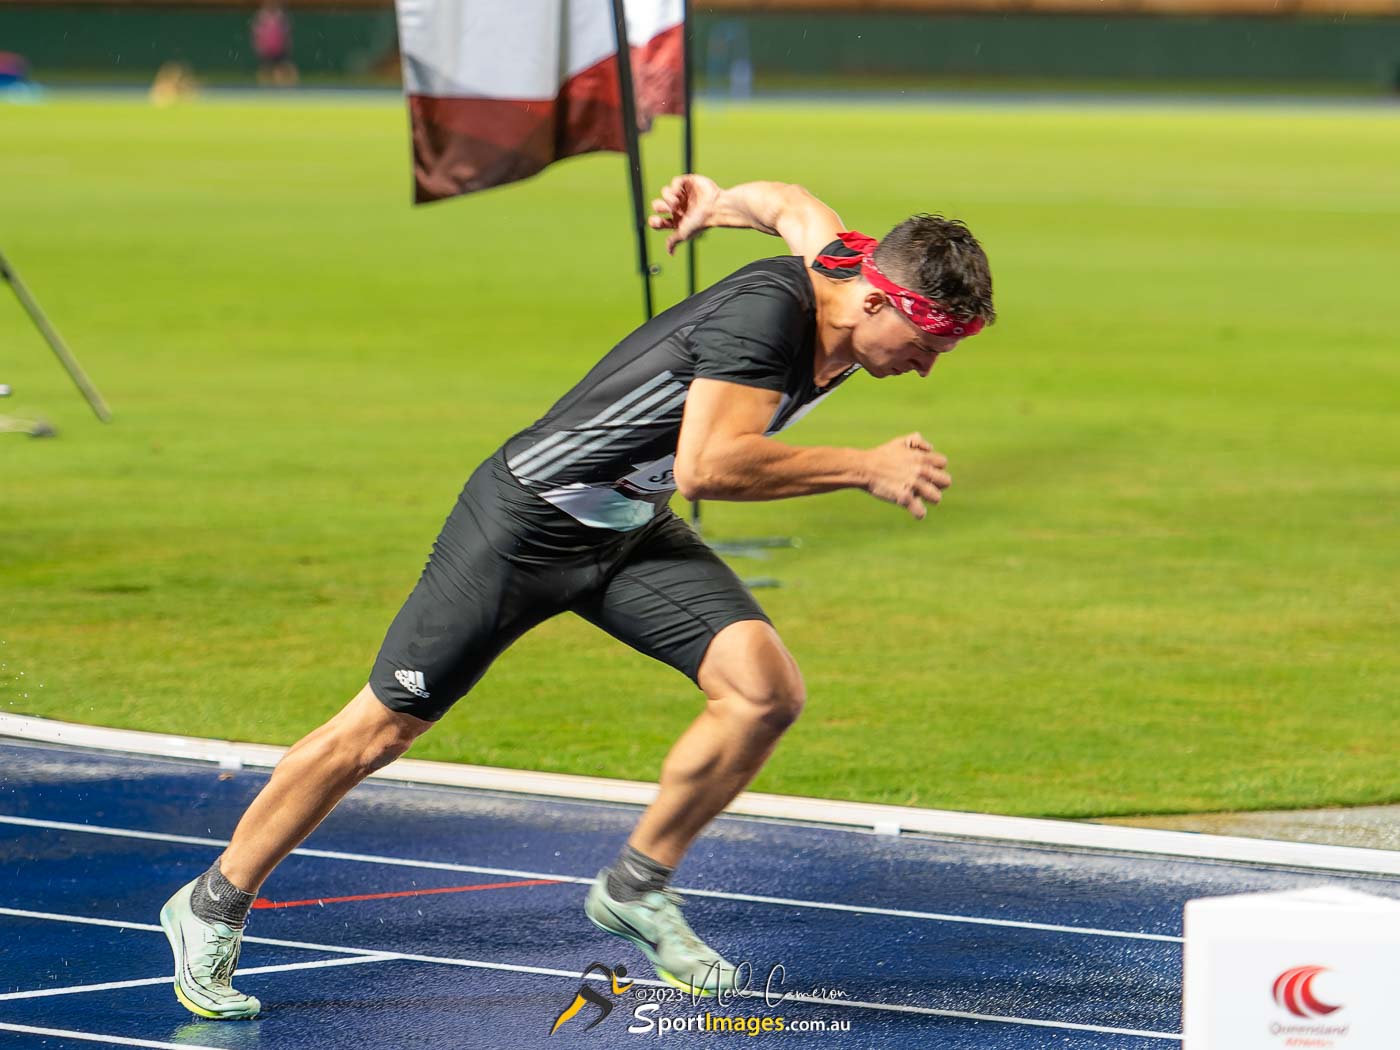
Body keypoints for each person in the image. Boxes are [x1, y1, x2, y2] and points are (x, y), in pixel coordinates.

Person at [158, 174, 996, 1020]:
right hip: (523, 525)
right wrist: (864, 465)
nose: (925, 367)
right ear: (879, 302)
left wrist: (715, 203)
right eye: (929, 344)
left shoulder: (843, 262)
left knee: (764, 692)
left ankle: (636, 887)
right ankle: (211, 905)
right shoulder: (767, 320)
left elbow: (791, 203)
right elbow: (711, 466)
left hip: (625, 530)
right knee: (378, 730)